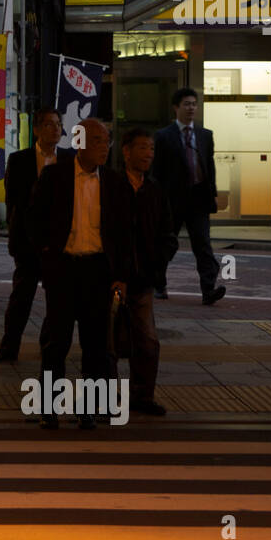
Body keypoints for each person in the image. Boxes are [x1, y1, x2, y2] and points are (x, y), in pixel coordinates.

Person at [30, 118, 132, 429]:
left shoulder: (114, 182)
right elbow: (33, 219)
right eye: (99, 141)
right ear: (80, 143)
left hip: (98, 270)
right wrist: (46, 254)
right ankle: (49, 407)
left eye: (107, 141)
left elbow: (126, 233)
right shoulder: (55, 175)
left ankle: (87, 409)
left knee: (95, 345)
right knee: (56, 342)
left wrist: (121, 275)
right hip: (63, 268)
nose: (105, 147)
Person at [0, 107, 73, 363]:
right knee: (20, 299)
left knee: (58, 301)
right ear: (36, 130)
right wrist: (22, 238)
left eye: (58, 124)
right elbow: (14, 203)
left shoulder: (69, 159)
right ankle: (8, 347)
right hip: (28, 242)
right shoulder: (19, 159)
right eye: (49, 124)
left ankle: (53, 348)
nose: (55, 128)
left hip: (59, 244)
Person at [120, 128, 178, 416]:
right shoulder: (110, 186)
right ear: (126, 152)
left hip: (143, 278)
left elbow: (168, 234)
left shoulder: (155, 191)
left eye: (151, 149)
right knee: (106, 342)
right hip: (112, 278)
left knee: (147, 340)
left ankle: (143, 396)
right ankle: (103, 398)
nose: (148, 154)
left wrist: (157, 265)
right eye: (142, 148)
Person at [152, 88, 224, 304]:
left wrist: (212, 194)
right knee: (166, 243)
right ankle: (159, 284)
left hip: (199, 198)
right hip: (172, 200)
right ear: (176, 107)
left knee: (203, 244)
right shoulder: (163, 136)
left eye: (194, 104)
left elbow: (209, 167)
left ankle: (208, 289)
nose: (191, 108)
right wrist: (158, 200)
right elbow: (158, 171)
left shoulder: (205, 135)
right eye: (186, 104)